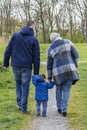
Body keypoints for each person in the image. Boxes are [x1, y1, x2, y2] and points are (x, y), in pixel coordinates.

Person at [3, 21, 40, 113]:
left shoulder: (15, 35)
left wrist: (6, 63)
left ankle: (19, 104)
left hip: (15, 65)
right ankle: (23, 107)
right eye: (34, 27)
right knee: (25, 85)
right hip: (26, 66)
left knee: (18, 83)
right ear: (32, 27)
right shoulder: (33, 39)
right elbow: (36, 57)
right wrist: (36, 73)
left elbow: (8, 49)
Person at [47, 33, 79, 117]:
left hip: (57, 72)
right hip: (70, 70)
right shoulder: (68, 42)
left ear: (52, 39)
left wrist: (49, 77)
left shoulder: (50, 48)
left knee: (58, 89)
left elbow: (49, 64)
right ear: (59, 36)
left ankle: (59, 108)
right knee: (66, 90)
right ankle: (64, 110)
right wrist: (75, 65)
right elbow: (76, 54)